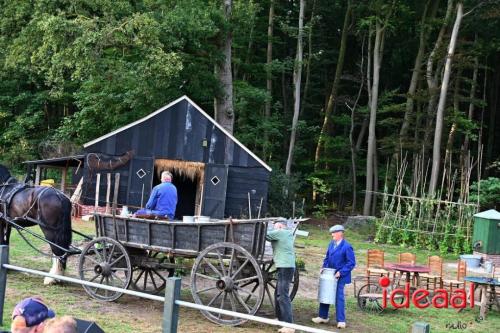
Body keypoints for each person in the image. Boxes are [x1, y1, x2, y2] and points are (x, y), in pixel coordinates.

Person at [312, 225, 355, 329]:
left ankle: (341, 320)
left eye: (334, 233)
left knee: (338, 297)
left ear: (340, 233)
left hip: (341, 276)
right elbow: (327, 258)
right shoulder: (331, 244)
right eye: (332, 233)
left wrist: (341, 272)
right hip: (329, 274)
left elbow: (351, 263)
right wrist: (323, 267)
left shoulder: (347, 246)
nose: (332, 235)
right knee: (325, 292)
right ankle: (323, 316)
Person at [265, 221, 296, 333]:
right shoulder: (286, 233)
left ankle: (289, 326)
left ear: (280, 226)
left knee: (283, 295)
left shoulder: (281, 232)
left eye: (275, 227)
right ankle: (280, 319)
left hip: (285, 267)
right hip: (285, 266)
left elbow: (264, 235)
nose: (274, 229)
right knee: (277, 293)